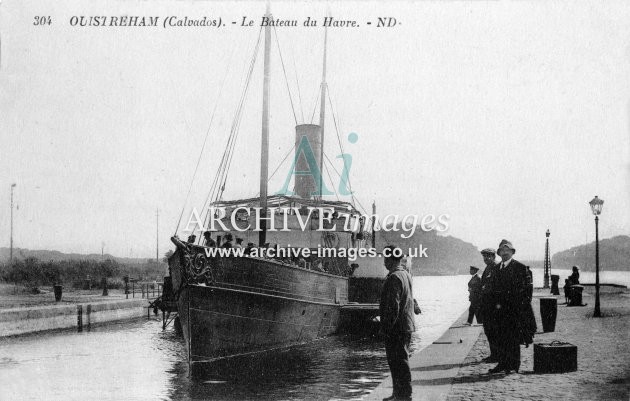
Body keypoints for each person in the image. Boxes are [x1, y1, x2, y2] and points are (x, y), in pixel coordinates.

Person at [379, 245, 416, 401]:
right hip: (405, 325)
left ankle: (403, 395)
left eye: (385, 259)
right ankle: (399, 393)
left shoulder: (394, 277)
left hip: (397, 327)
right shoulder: (405, 274)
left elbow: (393, 306)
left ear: (390, 259)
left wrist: (386, 327)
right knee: (400, 360)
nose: (384, 263)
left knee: (397, 362)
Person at [487, 239, 529, 374]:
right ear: (499, 253)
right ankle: (502, 363)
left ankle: (514, 365)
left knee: (513, 338)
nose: (504, 253)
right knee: (500, 337)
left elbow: (525, 291)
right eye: (502, 251)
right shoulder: (496, 269)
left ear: (512, 252)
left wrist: (520, 308)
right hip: (499, 310)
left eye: (507, 250)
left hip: (513, 310)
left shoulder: (520, 268)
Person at [479, 248, 499, 362]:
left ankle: (496, 355)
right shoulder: (488, 267)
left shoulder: (495, 267)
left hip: (493, 305)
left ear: (493, 257)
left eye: (488, 256)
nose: (486, 259)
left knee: (493, 331)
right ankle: (494, 354)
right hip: (487, 304)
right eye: (484, 257)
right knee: (489, 330)